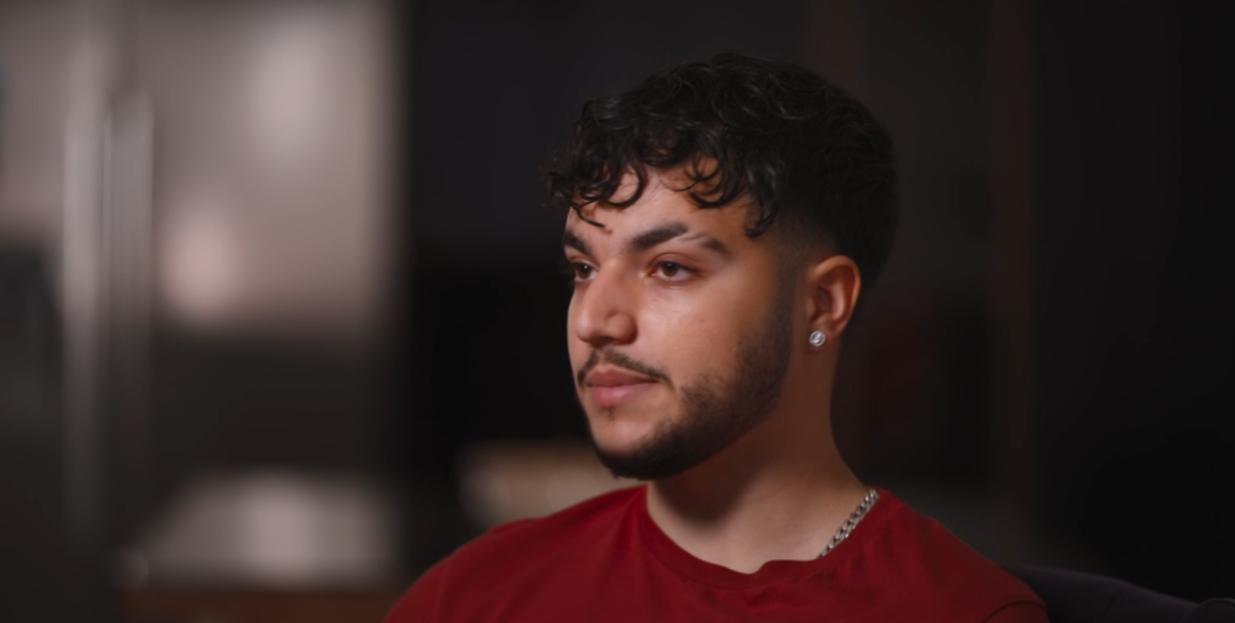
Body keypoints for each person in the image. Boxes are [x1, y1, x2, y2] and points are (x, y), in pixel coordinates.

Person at [386, 53, 1048, 623]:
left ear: (821, 303)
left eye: (669, 267)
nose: (594, 320)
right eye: (584, 269)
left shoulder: (962, 611)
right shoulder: (471, 596)